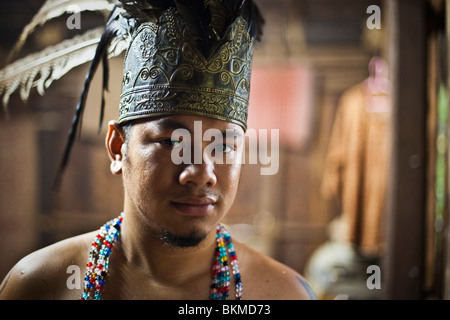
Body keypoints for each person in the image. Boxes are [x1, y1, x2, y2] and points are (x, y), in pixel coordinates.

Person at [0, 0, 316, 300]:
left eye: (224, 145)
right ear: (117, 147)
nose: (201, 173)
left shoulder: (282, 293)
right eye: (172, 142)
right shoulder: (41, 285)